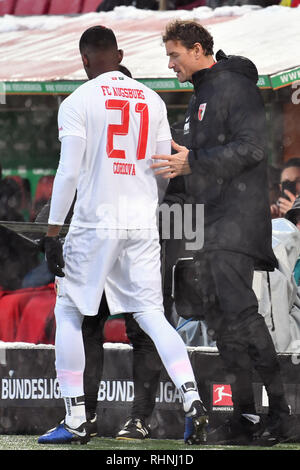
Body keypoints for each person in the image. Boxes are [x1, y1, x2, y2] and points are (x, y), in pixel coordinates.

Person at [37, 25, 208, 445]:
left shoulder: (78, 100)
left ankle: (76, 419)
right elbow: (166, 165)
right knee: (151, 314)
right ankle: (194, 402)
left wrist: (53, 230)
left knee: (70, 313)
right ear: (119, 54)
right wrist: (145, 203)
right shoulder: (151, 98)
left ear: (84, 60)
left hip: (96, 222)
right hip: (141, 221)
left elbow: (69, 172)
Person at [150, 19, 298, 445]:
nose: (170, 63)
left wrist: (193, 160)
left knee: (242, 317)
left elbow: (252, 148)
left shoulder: (233, 86)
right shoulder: (203, 92)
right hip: (210, 223)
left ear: (198, 50)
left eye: (174, 55)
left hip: (236, 221)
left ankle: (280, 415)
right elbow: (196, 156)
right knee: (223, 322)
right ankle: (245, 416)